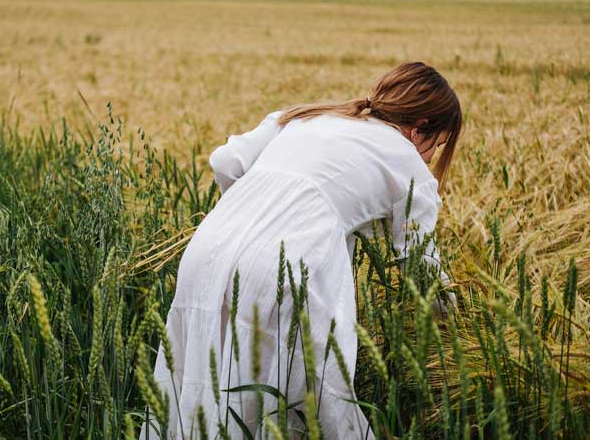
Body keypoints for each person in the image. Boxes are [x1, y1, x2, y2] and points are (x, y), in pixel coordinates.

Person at [140, 61, 463, 439]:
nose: (428, 157)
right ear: (419, 127)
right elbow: (420, 263)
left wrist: (254, 218)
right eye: (435, 145)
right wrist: (456, 319)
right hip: (290, 263)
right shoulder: (408, 164)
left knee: (206, 381)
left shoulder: (305, 117)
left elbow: (224, 160)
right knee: (310, 399)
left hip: (209, 248)